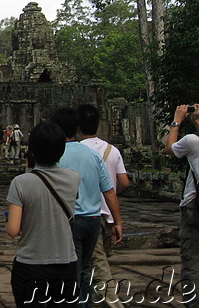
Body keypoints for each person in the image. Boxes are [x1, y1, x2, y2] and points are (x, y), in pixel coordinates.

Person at [52, 107, 123, 308]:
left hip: (70, 219)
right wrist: (117, 221)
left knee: (71, 270)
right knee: (85, 269)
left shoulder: (57, 154)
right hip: (93, 219)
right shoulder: (92, 154)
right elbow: (109, 190)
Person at [7, 122, 81, 307]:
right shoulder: (73, 178)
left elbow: (13, 230)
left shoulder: (21, 183)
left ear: (31, 150)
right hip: (66, 261)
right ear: (61, 150)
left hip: (30, 264)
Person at [77, 104, 129, 307]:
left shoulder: (79, 152)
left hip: (88, 213)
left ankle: (114, 304)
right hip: (107, 214)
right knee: (96, 262)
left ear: (78, 126)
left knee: (98, 266)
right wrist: (117, 219)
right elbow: (123, 182)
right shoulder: (112, 150)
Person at [165, 103, 199, 308]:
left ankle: (195, 303)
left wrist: (176, 121)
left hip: (195, 206)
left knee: (192, 260)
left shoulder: (193, 141)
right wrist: (197, 122)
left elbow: (169, 148)